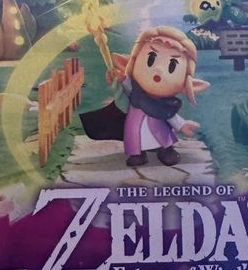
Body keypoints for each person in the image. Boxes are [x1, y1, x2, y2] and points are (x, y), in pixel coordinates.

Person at [81, 25, 209, 167]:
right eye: (151, 59)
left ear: (186, 84)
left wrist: (182, 125)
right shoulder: (135, 93)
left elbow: (170, 115)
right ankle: (137, 154)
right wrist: (121, 79)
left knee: (161, 136)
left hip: (157, 127)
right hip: (134, 121)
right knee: (134, 137)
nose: (158, 69)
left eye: (172, 66)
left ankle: (166, 151)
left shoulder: (164, 105)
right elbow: (127, 89)